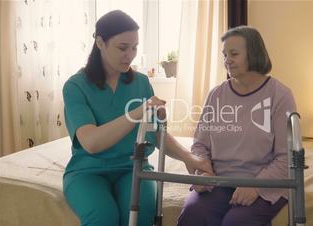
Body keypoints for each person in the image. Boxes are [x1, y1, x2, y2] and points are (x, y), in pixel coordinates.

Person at [62, 10, 212, 226]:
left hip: (132, 168)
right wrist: (139, 111)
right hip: (87, 172)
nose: (130, 55)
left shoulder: (140, 83)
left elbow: (156, 134)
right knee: (103, 217)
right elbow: (92, 143)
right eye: (123, 48)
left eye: (134, 48)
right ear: (100, 42)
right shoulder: (76, 86)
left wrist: (188, 158)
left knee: (140, 215)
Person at [177, 26, 296, 226]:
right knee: (193, 214)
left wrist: (256, 187)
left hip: (263, 182)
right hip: (218, 181)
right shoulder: (216, 94)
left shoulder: (280, 95)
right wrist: (202, 172)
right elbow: (200, 144)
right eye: (225, 55)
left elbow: (286, 157)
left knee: (237, 222)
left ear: (254, 54)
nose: (227, 60)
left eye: (234, 54)